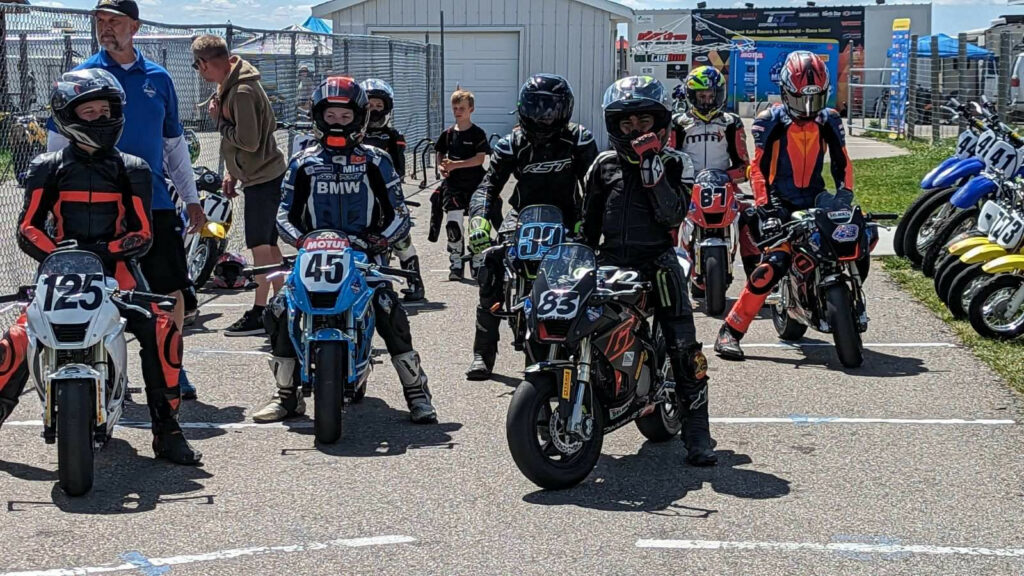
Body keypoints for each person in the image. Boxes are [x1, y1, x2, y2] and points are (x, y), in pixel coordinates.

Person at [0, 69, 201, 465]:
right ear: (68, 117)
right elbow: (27, 228)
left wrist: (102, 253)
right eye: (88, 112)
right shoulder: (47, 165)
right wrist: (60, 254)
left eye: (105, 110)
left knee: (162, 328)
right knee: (18, 337)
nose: (100, 118)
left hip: (118, 272)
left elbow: (143, 233)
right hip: (58, 272)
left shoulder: (134, 168)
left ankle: (168, 430)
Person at [252, 77, 437, 425]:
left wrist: (378, 242)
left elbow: (400, 213)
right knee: (279, 309)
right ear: (319, 117)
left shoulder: (377, 161)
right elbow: (283, 214)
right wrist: (302, 240)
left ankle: (416, 393)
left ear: (360, 118)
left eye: (345, 116)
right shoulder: (302, 162)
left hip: (364, 255)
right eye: (331, 116)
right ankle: (286, 396)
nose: (337, 123)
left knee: (388, 308)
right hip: (314, 255)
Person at [46, 0, 204, 400]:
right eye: (100, 21)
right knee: (94, 289)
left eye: (115, 21)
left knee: (170, 290)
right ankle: (95, 369)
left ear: (134, 25)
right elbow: (56, 144)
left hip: (153, 203)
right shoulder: (79, 76)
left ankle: (173, 365)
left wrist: (191, 198)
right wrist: (50, 199)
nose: (106, 28)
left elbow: (173, 144)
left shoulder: (159, 78)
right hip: (92, 203)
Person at [581, 75, 715, 466]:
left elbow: (673, 215)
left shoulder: (678, 163)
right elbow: (586, 227)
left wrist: (653, 171)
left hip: (658, 262)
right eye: (626, 124)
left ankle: (697, 435)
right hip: (609, 263)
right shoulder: (602, 165)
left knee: (684, 347)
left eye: (643, 122)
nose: (635, 130)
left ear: (660, 122)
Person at [714, 51, 855, 361]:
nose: (808, 107)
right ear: (785, 91)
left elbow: (842, 161)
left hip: (817, 197)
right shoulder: (770, 121)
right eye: (801, 98)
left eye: (815, 98)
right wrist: (764, 207)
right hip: (780, 201)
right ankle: (730, 331)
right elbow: (758, 167)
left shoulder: (829, 118)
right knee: (772, 266)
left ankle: (847, 303)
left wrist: (845, 193)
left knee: (852, 240)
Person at [464, 74, 597, 380]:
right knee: (491, 266)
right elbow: (488, 186)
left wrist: (587, 221)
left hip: (567, 215)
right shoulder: (512, 143)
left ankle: (582, 343)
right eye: (536, 106)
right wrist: (479, 219)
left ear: (564, 109)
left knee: (587, 271)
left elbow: (594, 186)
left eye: (549, 108)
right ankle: (482, 353)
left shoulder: (579, 139)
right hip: (521, 215)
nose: (542, 115)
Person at [191, 34, 288, 337]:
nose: (200, 73)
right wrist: (232, 172)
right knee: (270, 247)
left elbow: (249, 140)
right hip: (258, 175)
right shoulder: (231, 84)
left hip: (265, 178)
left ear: (205, 63)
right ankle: (281, 305)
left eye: (198, 67)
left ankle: (260, 312)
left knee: (260, 247)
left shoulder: (242, 91)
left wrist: (219, 122)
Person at [671, 65, 758, 285]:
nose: (707, 101)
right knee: (668, 220)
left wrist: (734, 176)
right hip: (689, 187)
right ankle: (671, 277)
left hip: (724, 185)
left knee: (750, 217)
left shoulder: (731, 122)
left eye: (711, 96)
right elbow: (670, 160)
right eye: (702, 96)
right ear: (691, 96)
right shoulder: (678, 123)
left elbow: (743, 163)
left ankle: (757, 280)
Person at [360, 78, 424, 302]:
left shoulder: (393, 136)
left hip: (385, 197)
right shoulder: (353, 135)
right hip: (356, 196)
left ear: (387, 108)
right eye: (370, 106)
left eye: (379, 106)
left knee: (401, 238)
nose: (375, 111)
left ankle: (415, 281)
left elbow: (399, 170)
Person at [433, 89, 491, 281]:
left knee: (477, 225)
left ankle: (477, 260)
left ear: (471, 109)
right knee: (453, 224)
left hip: (475, 184)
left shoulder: (477, 133)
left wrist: (456, 164)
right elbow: (440, 153)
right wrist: (443, 166)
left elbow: (479, 159)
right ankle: (456, 263)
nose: (458, 112)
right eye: (455, 108)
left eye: (462, 108)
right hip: (453, 185)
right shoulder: (448, 134)